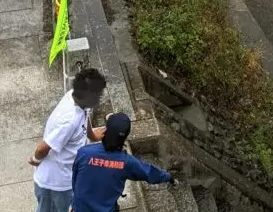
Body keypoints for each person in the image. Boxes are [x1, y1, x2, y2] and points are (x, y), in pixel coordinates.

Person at [31, 69, 109, 212]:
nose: (100, 98)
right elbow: (42, 148)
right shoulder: (69, 121)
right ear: (88, 97)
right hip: (56, 183)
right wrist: (35, 160)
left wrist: (91, 135)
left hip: (67, 172)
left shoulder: (77, 99)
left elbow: (85, 115)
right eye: (98, 95)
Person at [71, 113, 172, 212]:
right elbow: (150, 172)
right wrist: (169, 177)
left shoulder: (84, 152)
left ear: (105, 131)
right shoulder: (127, 162)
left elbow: (74, 178)